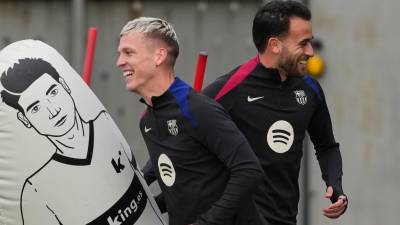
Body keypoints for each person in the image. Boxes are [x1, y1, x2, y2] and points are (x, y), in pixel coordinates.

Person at [202, 1, 348, 224]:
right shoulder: (231, 88)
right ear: (275, 45)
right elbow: (184, 132)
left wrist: (335, 185)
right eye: (303, 43)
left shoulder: (310, 89)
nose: (310, 52)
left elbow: (327, 147)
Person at [116, 17, 265, 225]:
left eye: (128, 53)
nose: (119, 62)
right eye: (120, 53)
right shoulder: (147, 120)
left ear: (159, 56)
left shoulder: (197, 109)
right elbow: (183, 185)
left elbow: (249, 170)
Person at [1, 58, 165, 225]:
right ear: (25, 119)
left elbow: (141, 183)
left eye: (53, 92)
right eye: (35, 108)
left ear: (64, 85)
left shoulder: (103, 124)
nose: (53, 110)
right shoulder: (36, 189)